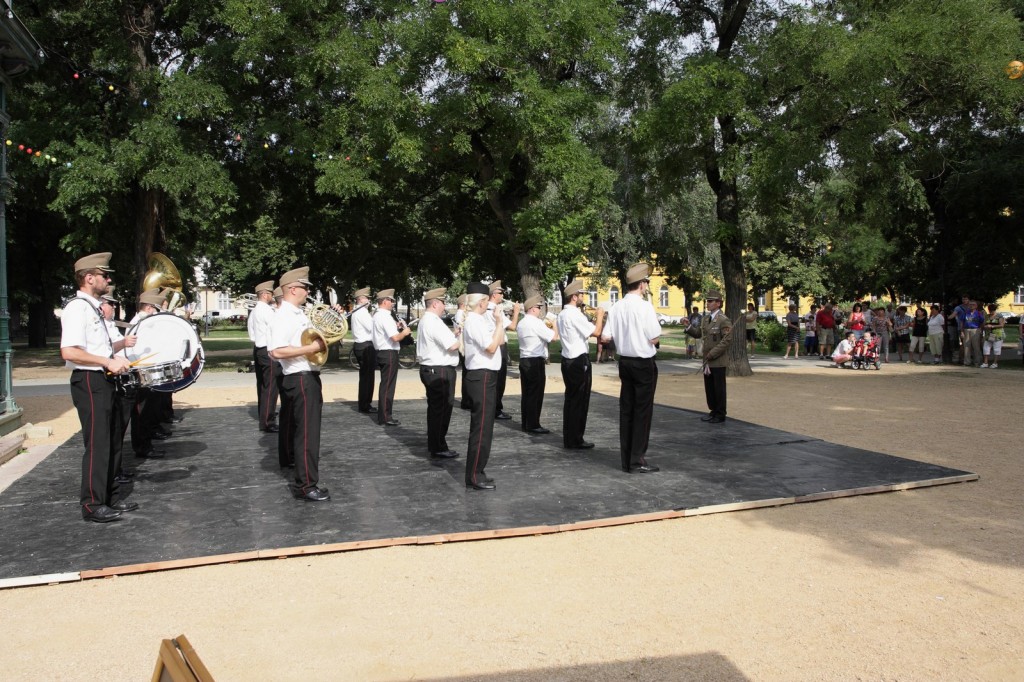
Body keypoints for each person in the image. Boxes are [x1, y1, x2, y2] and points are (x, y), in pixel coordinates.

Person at [60, 252, 138, 523]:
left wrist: (116, 355)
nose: (109, 280)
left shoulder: (93, 309)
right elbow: (69, 351)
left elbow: (99, 347)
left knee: (113, 439)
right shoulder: (77, 308)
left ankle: (109, 496)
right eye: (105, 275)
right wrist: (107, 360)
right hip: (90, 380)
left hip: (104, 379)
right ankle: (92, 504)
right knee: (98, 443)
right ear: (89, 278)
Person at [268, 266, 330, 502]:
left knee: (305, 432)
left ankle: (304, 481)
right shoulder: (284, 315)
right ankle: (305, 486)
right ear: (293, 289)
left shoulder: (297, 314)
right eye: (305, 287)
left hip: (306, 377)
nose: (308, 291)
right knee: (307, 434)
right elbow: (276, 351)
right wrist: (311, 348)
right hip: (300, 378)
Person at [602, 263, 662, 473]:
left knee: (627, 410)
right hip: (642, 362)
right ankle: (637, 460)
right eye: (646, 282)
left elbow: (606, 336)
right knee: (642, 412)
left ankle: (627, 458)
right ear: (642, 284)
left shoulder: (616, 306)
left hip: (625, 362)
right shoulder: (644, 306)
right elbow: (654, 337)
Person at [462, 282, 507, 490]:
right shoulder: (474, 321)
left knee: (485, 427)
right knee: (481, 429)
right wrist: (499, 322)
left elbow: (498, 341)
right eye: (488, 300)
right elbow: (491, 347)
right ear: (481, 302)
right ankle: (474, 475)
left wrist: (497, 323)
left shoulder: (478, 319)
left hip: (486, 376)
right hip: (481, 376)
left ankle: (478, 471)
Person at [557, 278, 605, 449]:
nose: (584, 297)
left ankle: (570, 437)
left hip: (568, 359)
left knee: (571, 400)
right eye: (582, 294)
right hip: (578, 360)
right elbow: (596, 332)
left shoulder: (563, 314)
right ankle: (576, 438)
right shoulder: (574, 314)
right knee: (580, 401)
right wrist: (600, 315)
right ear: (574, 297)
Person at [415, 287, 460, 458]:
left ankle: (435, 444)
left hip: (432, 369)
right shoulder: (433, 321)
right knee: (441, 410)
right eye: (443, 303)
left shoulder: (427, 320)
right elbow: (452, 346)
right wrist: (464, 335)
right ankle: (438, 446)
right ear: (435, 304)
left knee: (436, 410)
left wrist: (455, 334)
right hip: (439, 370)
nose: (444, 306)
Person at [100, 286, 138, 484]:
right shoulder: (102, 325)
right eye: (110, 304)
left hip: (120, 376)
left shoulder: (110, 325)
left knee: (119, 429)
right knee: (113, 431)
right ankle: (113, 471)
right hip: (110, 379)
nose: (113, 307)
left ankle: (116, 468)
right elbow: (104, 351)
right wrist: (123, 343)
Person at [685, 289, 732, 423]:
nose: (708, 303)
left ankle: (720, 413)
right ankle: (713, 410)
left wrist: (713, 353)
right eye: (707, 301)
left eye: (711, 301)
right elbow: (699, 334)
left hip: (718, 360)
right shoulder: (706, 319)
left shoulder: (723, 320)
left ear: (718, 303)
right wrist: (688, 327)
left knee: (718, 388)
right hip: (707, 360)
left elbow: (727, 341)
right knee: (709, 388)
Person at [517, 294, 558, 435]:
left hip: (525, 359)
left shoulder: (522, 323)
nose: (540, 310)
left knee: (527, 393)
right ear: (533, 308)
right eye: (539, 308)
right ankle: (533, 424)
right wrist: (554, 324)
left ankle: (526, 422)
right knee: (536, 394)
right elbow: (553, 337)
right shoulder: (535, 322)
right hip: (535, 360)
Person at [372, 288, 412, 426]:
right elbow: (395, 338)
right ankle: (385, 416)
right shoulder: (385, 316)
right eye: (391, 300)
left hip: (382, 352)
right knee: (388, 386)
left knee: (386, 384)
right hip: (388, 352)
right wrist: (405, 332)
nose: (392, 303)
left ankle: (384, 415)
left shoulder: (378, 315)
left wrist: (396, 325)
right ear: (384, 301)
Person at [247, 279, 279, 432]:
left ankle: (264, 414)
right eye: (271, 293)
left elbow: (251, 333)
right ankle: (267, 421)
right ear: (265, 294)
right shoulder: (267, 310)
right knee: (271, 387)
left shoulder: (254, 311)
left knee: (262, 385)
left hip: (258, 349)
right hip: (268, 350)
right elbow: (277, 329)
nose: (273, 296)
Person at [487, 281, 519, 420]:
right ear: (494, 295)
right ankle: (496, 409)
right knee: (499, 380)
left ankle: (493, 408)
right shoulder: (495, 309)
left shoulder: (487, 308)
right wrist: (516, 312)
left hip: (493, 344)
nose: (502, 295)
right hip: (499, 345)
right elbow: (512, 326)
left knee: (494, 379)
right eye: (500, 293)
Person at [349, 286, 377, 414]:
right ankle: (365, 404)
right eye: (367, 298)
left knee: (365, 376)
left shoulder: (357, 311)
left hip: (360, 345)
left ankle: (364, 403)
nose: (369, 301)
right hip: (365, 345)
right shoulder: (362, 312)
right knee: (368, 377)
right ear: (361, 299)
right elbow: (372, 328)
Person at [960, 300, 984, 367]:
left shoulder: (978, 313)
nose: (971, 306)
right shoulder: (965, 313)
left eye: (973, 304)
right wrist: (962, 331)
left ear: (976, 306)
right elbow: (962, 322)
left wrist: (981, 330)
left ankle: (977, 362)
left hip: (975, 330)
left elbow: (982, 322)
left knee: (976, 346)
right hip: (966, 329)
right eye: (970, 304)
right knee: (966, 346)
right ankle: (967, 362)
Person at [981, 304, 1005, 369]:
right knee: (986, 348)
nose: (991, 312)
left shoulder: (999, 316)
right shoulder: (987, 316)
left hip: (997, 334)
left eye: (992, 310)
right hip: (988, 334)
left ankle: (995, 363)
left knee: (996, 349)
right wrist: (985, 326)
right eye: (990, 310)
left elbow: (1002, 325)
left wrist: (992, 326)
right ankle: (985, 362)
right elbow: (983, 324)